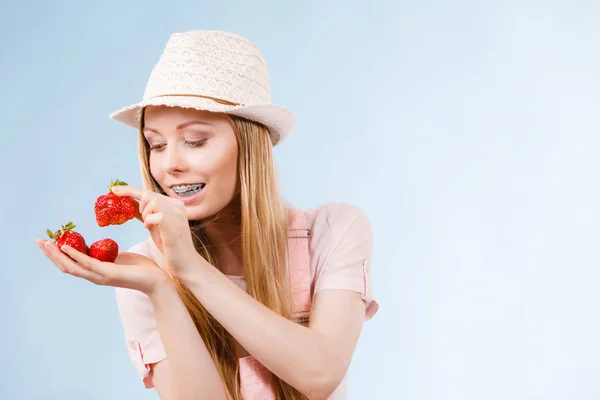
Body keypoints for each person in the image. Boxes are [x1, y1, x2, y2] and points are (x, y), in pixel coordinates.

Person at [36, 30, 378, 400]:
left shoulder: (332, 231)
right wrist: (161, 287)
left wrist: (191, 269)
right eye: (157, 145)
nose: (169, 165)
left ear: (250, 147)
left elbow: (320, 374)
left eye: (195, 141)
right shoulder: (144, 271)